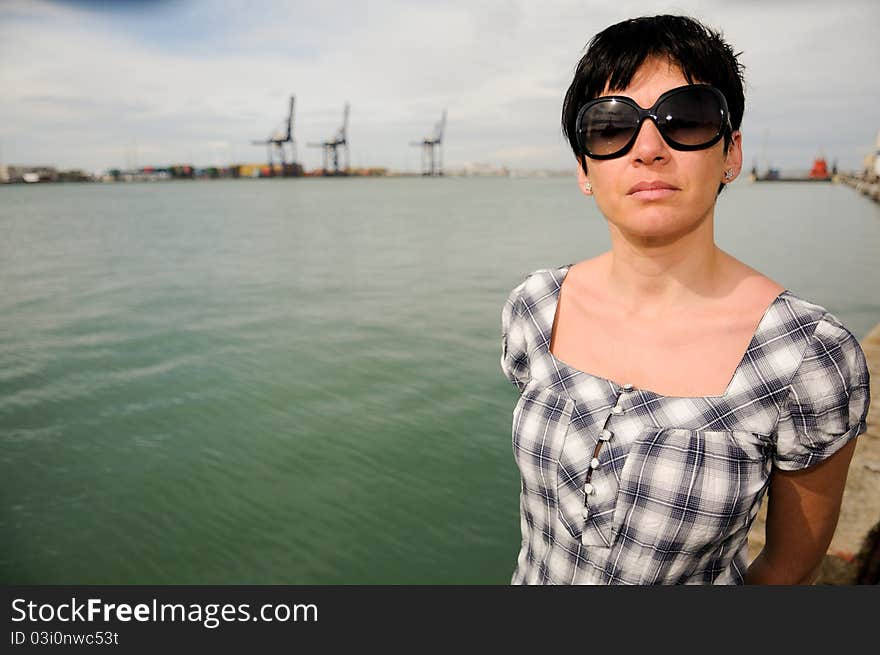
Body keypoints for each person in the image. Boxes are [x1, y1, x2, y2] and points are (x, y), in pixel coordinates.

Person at [500, 14, 871, 585]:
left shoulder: (808, 356)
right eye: (609, 127)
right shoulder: (536, 307)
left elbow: (787, 568)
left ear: (731, 153)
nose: (648, 149)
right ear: (584, 168)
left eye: (687, 119)